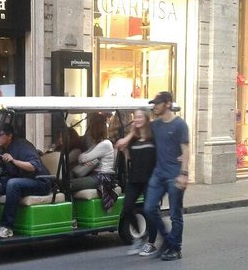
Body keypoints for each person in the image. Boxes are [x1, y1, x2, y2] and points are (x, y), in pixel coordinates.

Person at [117, 91, 189, 261]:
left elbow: (185, 150)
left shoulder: (180, 125)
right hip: (158, 174)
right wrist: (126, 140)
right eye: (154, 104)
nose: (155, 106)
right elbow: (137, 129)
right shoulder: (155, 125)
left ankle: (175, 248)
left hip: (174, 175)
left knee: (175, 214)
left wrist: (184, 173)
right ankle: (168, 240)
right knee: (149, 208)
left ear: (168, 104)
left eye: (157, 103)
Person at [0, 124, 51, 238]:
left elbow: (33, 166)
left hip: (40, 182)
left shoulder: (22, 146)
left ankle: (7, 226)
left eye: (0, 135)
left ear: (9, 135)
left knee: (13, 184)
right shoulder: (2, 149)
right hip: (24, 179)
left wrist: (13, 160)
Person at [121, 109, 158, 257]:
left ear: (147, 118)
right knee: (127, 208)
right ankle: (140, 237)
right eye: (135, 117)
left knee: (150, 211)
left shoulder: (154, 137)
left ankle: (151, 243)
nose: (137, 119)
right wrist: (125, 147)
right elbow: (129, 159)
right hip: (135, 179)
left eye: (140, 116)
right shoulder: (133, 140)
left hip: (151, 179)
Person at [70, 112, 116, 191]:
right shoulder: (96, 144)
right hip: (94, 174)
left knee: (69, 184)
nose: (89, 132)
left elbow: (82, 158)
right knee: (68, 176)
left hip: (102, 177)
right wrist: (85, 158)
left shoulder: (105, 144)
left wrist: (85, 159)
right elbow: (82, 157)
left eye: (91, 129)